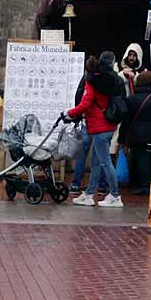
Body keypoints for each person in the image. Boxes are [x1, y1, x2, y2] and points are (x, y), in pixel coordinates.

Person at [65, 50, 124, 207]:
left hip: (99, 127)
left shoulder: (92, 81)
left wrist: (69, 113)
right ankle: (89, 194)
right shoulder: (113, 80)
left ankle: (115, 195)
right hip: (109, 125)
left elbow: (85, 103)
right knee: (97, 162)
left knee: (105, 162)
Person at [122, 71, 151, 195]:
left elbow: (126, 119)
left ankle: (143, 185)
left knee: (141, 160)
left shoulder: (131, 99)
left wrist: (122, 138)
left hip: (137, 135)